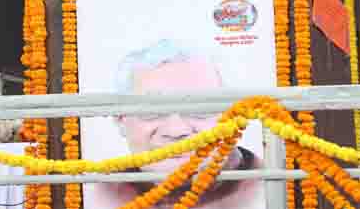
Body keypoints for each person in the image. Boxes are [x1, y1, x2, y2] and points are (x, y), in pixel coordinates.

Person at [90, 40, 265, 209]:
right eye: (151, 109)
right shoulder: (101, 192)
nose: (176, 131)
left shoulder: (268, 185)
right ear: (120, 119)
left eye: (199, 107)